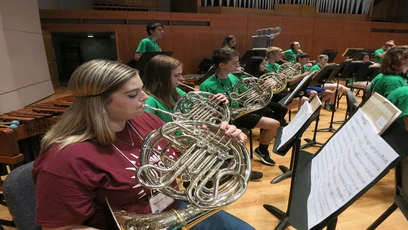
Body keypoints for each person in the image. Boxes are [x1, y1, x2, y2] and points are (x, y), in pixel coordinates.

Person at [33, 59, 255, 230]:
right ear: (98, 102)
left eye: (141, 89)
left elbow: (178, 161)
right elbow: (60, 227)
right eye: (133, 94)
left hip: (175, 208)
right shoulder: (65, 159)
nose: (145, 97)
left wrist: (220, 143)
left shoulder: (144, 119)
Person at [142, 55, 264, 181]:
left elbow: (200, 116)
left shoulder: (176, 92)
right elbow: (149, 136)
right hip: (178, 148)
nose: (182, 79)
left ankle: (234, 172)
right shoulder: (150, 102)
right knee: (228, 150)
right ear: (161, 77)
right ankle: (227, 174)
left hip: (194, 138)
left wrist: (214, 105)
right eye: (176, 75)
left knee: (240, 139)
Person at [200, 48, 280, 166]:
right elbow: (205, 113)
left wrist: (264, 88)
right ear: (222, 65)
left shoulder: (233, 78)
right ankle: (237, 165)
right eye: (234, 63)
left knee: (274, 124)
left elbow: (249, 97)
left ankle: (262, 151)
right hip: (223, 121)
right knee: (240, 140)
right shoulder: (206, 85)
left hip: (239, 115)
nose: (238, 65)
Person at [242, 56, 288, 126]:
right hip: (252, 101)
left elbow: (271, 88)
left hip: (263, 99)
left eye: (265, 64)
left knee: (282, 109)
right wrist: (262, 87)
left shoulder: (263, 73)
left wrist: (279, 79)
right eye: (263, 64)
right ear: (256, 65)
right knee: (269, 112)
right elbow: (248, 93)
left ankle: (276, 127)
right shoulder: (246, 77)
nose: (265, 66)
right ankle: (269, 129)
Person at [265, 46, 309, 111]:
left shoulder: (277, 65)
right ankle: (279, 111)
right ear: (271, 55)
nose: (281, 56)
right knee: (298, 98)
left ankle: (281, 111)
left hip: (281, 90)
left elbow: (288, 77)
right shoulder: (265, 66)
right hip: (272, 92)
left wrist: (295, 68)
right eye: (279, 54)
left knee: (300, 98)